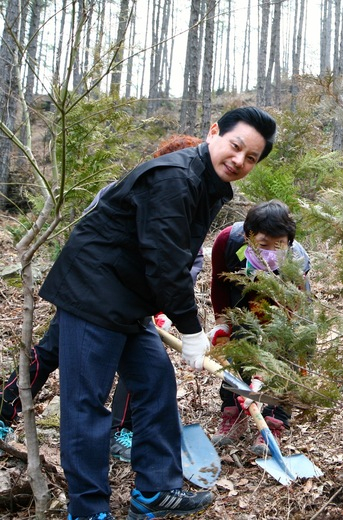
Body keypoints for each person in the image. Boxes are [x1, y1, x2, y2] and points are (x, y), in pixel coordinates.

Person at [37, 107, 277, 520]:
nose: (239, 161)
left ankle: (154, 490)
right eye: (236, 147)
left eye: (251, 157)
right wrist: (190, 329)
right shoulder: (174, 177)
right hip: (93, 293)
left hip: (129, 300)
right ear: (214, 132)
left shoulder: (208, 184)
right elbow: (166, 263)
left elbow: (173, 260)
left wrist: (176, 318)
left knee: (155, 384)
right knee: (86, 405)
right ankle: (88, 510)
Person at [0, 134, 203, 465]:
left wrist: (167, 306)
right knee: (51, 351)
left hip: (136, 306)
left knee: (139, 366)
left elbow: (186, 261)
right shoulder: (124, 191)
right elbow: (92, 241)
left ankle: (122, 431)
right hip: (89, 298)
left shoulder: (190, 205)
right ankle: (4, 411)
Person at [207, 199, 311, 456]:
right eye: (264, 245)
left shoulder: (296, 261)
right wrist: (222, 323)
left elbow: (289, 319)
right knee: (235, 347)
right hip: (241, 301)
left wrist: (263, 375)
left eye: (279, 246)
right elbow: (219, 284)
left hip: (284, 313)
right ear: (248, 236)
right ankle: (234, 411)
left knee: (286, 355)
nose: (270, 253)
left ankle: (273, 420)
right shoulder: (227, 242)